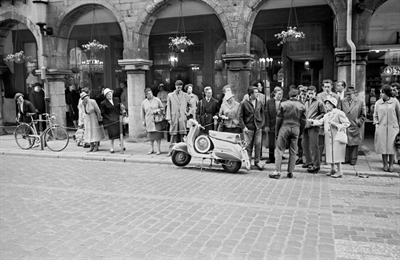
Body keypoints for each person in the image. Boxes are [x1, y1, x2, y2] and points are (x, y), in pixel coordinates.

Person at [269, 88, 306, 179]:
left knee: (279, 149)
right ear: (297, 96)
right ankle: (290, 171)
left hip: (285, 127)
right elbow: (303, 120)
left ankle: (277, 171)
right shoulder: (301, 106)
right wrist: (301, 131)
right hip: (296, 127)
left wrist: (277, 131)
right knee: (293, 151)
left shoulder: (283, 104)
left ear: (289, 96)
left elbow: (279, 119)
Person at [309, 97, 350, 178]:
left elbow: (347, 123)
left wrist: (336, 125)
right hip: (328, 137)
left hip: (337, 137)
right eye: (326, 104)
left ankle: (340, 171)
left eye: (328, 104)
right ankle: (332, 169)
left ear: (332, 105)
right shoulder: (326, 115)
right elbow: (320, 122)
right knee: (330, 154)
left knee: (337, 154)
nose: (326, 105)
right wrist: (312, 121)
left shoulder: (339, 113)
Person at [373, 84, 400, 172]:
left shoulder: (395, 102)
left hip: (393, 128)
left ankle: (391, 165)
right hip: (381, 128)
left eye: (383, 93)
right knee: (383, 147)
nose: (381, 95)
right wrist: (377, 123)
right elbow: (375, 115)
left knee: (391, 147)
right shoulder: (378, 103)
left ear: (387, 93)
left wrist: (398, 127)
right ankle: (385, 164)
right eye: (381, 93)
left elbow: (399, 115)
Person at [337, 85, 366, 166]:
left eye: (350, 94)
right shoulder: (342, 101)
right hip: (345, 124)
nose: (348, 96)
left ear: (355, 94)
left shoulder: (360, 102)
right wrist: (341, 122)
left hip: (354, 124)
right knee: (345, 142)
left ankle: (353, 159)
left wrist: (359, 122)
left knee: (354, 143)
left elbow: (363, 114)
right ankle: (345, 158)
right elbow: (339, 111)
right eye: (347, 94)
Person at [239, 87, 265, 171]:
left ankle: (257, 161)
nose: (257, 94)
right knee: (248, 146)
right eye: (256, 92)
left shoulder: (259, 102)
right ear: (251, 94)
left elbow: (262, 113)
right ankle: (248, 161)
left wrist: (261, 124)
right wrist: (244, 127)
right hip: (248, 127)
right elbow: (240, 116)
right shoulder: (244, 103)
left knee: (258, 144)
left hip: (257, 127)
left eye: (257, 92)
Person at [302, 85, 326, 173]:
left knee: (313, 145)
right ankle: (309, 161)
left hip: (313, 125)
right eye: (309, 93)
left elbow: (324, 113)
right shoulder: (306, 101)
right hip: (305, 124)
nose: (310, 95)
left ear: (315, 93)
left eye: (312, 93)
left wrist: (315, 120)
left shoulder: (319, 102)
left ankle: (316, 164)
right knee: (304, 143)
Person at [166, 80, 191, 157]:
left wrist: (187, 112)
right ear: (175, 86)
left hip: (182, 117)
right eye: (177, 86)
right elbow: (168, 107)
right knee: (173, 134)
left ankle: (183, 150)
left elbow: (190, 106)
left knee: (182, 134)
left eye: (180, 86)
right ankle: (171, 150)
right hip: (174, 117)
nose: (179, 88)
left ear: (182, 87)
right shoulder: (170, 95)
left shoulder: (186, 95)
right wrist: (169, 118)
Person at [317, 79, 340, 162]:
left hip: (332, 120)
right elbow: (317, 108)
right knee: (320, 141)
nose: (326, 88)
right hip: (323, 120)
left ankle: (329, 159)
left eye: (328, 87)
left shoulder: (336, 96)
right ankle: (319, 159)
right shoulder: (319, 96)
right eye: (325, 87)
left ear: (332, 87)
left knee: (331, 141)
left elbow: (338, 108)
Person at [100, 88, 126, 153]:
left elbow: (120, 107)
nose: (110, 95)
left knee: (120, 133)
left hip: (118, 119)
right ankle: (111, 147)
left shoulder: (116, 99)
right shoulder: (103, 103)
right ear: (105, 96)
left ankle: (122, 145)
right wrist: (108, 118)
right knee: (112, 135)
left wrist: (123, 109)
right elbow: (103, 113)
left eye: (110, 93)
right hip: (111, 120)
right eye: (108, 94)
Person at [265, 86, 285, 164]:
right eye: (279, 94)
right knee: (271, 142)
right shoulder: (269, 102)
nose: (280, 95)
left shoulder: (285, 101)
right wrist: (266, 125)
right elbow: (266, 113)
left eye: (282, 94)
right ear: (275, 94)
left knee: (281, 142)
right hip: (271, 124)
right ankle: (271, 158)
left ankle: (280, 156)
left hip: (282, 125)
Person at [141, 87, 164, 155]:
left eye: (151, 93)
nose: (150, 95)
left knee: (157, 136)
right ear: (146, 95)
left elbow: (162, 108)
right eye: (148, 94)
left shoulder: (157, 100)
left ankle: (158, 149)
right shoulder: (144, 102)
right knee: (150, 136)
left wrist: (158, 110)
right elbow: (142, 112)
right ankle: (151, 149)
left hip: (157, 120)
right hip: (149, 120)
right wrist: (143, 121)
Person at [296, 85, 308, 164]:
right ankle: (300, 157)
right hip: (299, 122)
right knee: (299, 140)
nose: (303, 93)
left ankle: (307, 158)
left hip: (307, 121)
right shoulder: (297, 100)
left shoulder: (309, 99)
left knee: (307, 140)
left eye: (304, 91)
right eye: (301, 91)